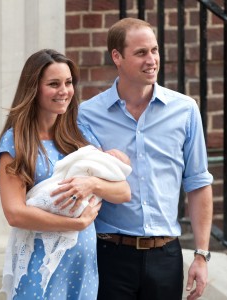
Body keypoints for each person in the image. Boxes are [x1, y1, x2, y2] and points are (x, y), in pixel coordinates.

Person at [78, 18, 213, 300]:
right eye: (141, 53)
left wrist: (201, 255)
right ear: (117, 56)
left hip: (166, 257)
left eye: (154, 50)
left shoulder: (185, 110)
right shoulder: (87, 115)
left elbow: (198, 184)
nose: (151, 60)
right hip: (108, 255)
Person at [0, 49, 131, 300]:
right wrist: (76, 224)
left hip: (82, 264)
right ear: (34, 89)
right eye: (53, 84)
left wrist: (92, 183)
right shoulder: (17, 142)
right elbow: (14, 213)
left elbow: (123, 190)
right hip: (39, 265)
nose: (64, 91)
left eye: (68, 82)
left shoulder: (80, 134)